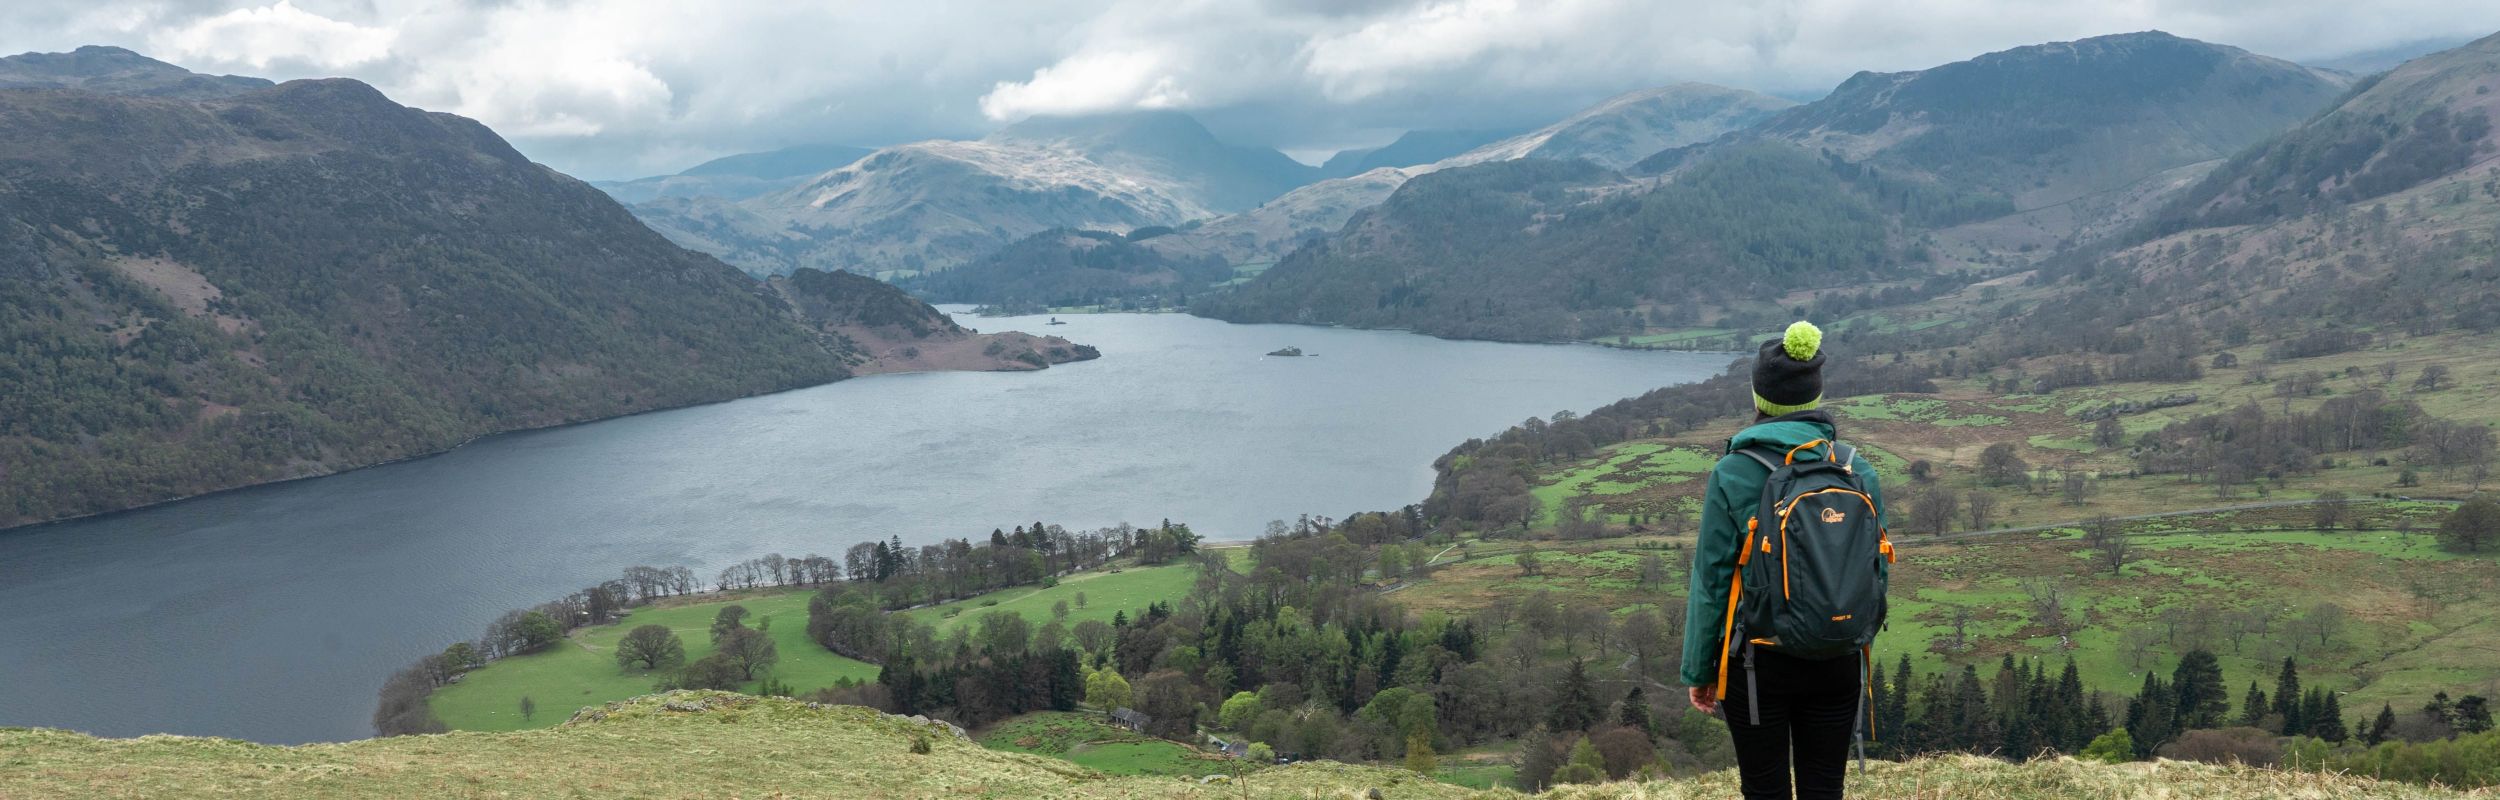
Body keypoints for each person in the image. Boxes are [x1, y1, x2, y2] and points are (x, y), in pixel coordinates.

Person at [1682, 321, 1889, 800]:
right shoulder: (1857, 469)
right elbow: (1874, 569)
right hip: (1840, 653)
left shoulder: (1735, 471)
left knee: (1764, 788)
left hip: (1759, 661)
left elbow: (1711, 579)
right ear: (1817, 395)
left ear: (1760, 397)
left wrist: (1700, 670)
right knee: (1824, 787)